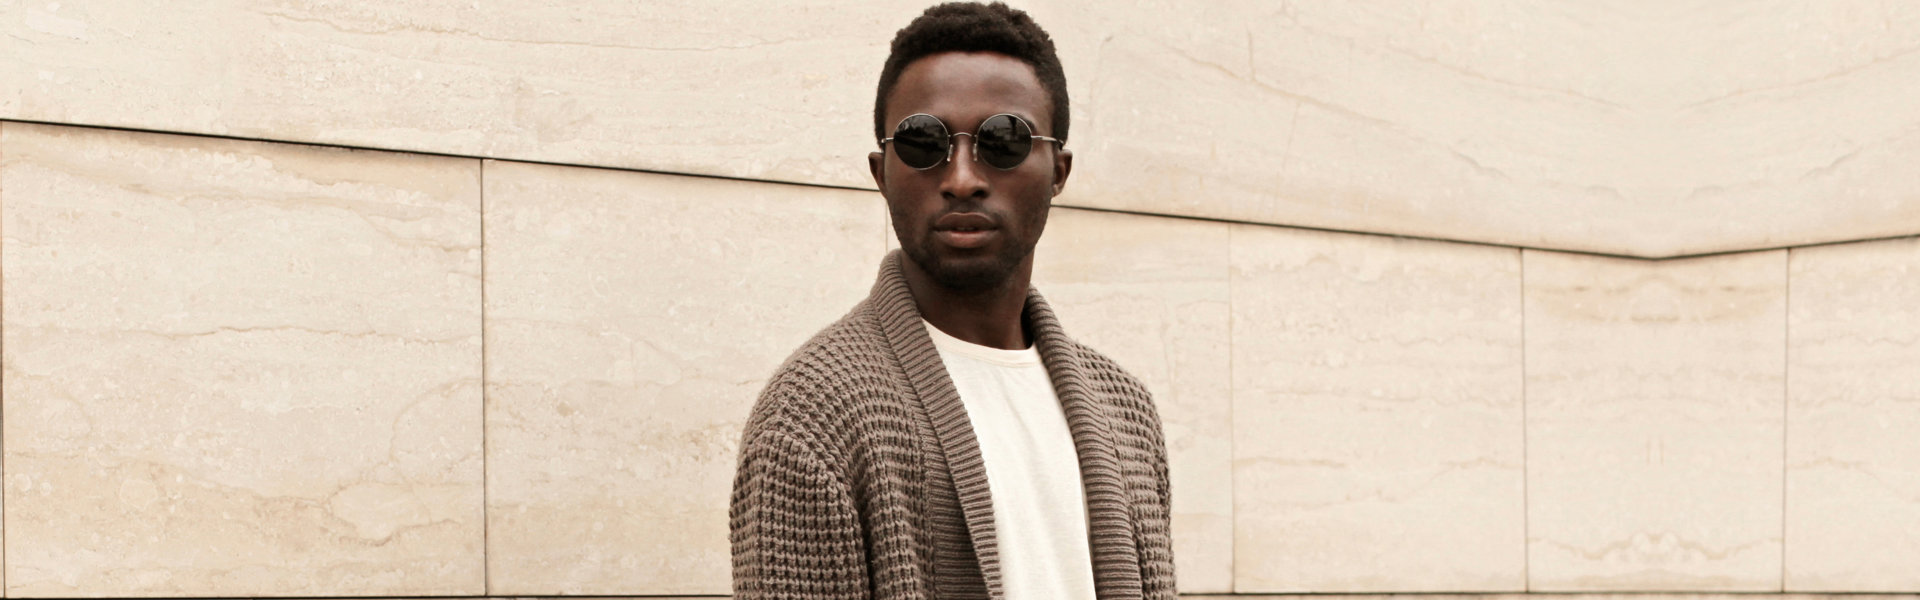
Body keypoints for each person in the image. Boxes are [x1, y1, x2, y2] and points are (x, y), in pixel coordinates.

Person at [729, 3, 1175, 599]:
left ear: (1059, 170)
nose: (962, 177)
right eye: (922, 141)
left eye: (1004, 140)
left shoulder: (1126, 412)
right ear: (881, 172)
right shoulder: (813, 419)